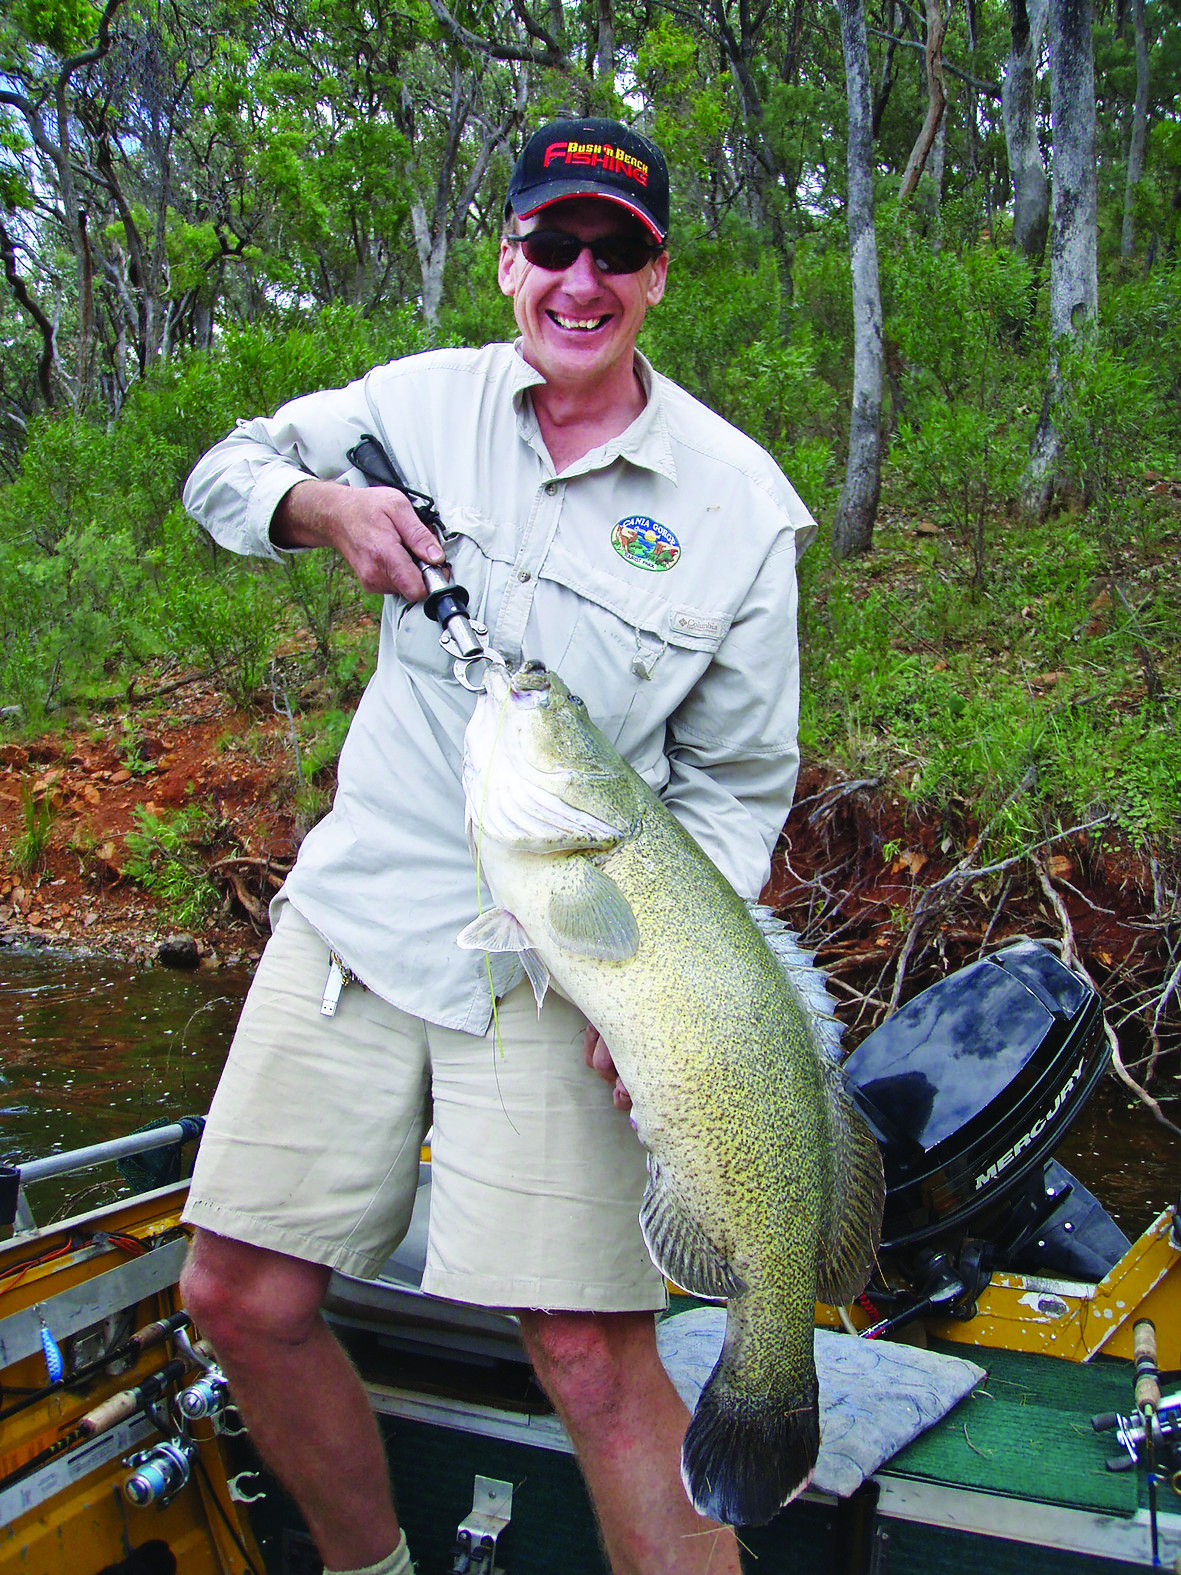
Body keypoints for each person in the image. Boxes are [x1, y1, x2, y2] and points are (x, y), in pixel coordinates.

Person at [178, 117, 816, 1575]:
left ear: (659, 273)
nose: (579, 279)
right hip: (359, 923)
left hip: (567, 959)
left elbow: (731, 787)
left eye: (618, 249)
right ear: (509, 257)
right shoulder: (421, 402)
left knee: (589, 1351)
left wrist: (669, 998)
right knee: (240, 1297)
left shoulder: (737, 509)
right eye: (553, 243)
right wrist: (316, 502)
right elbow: (229, 465)